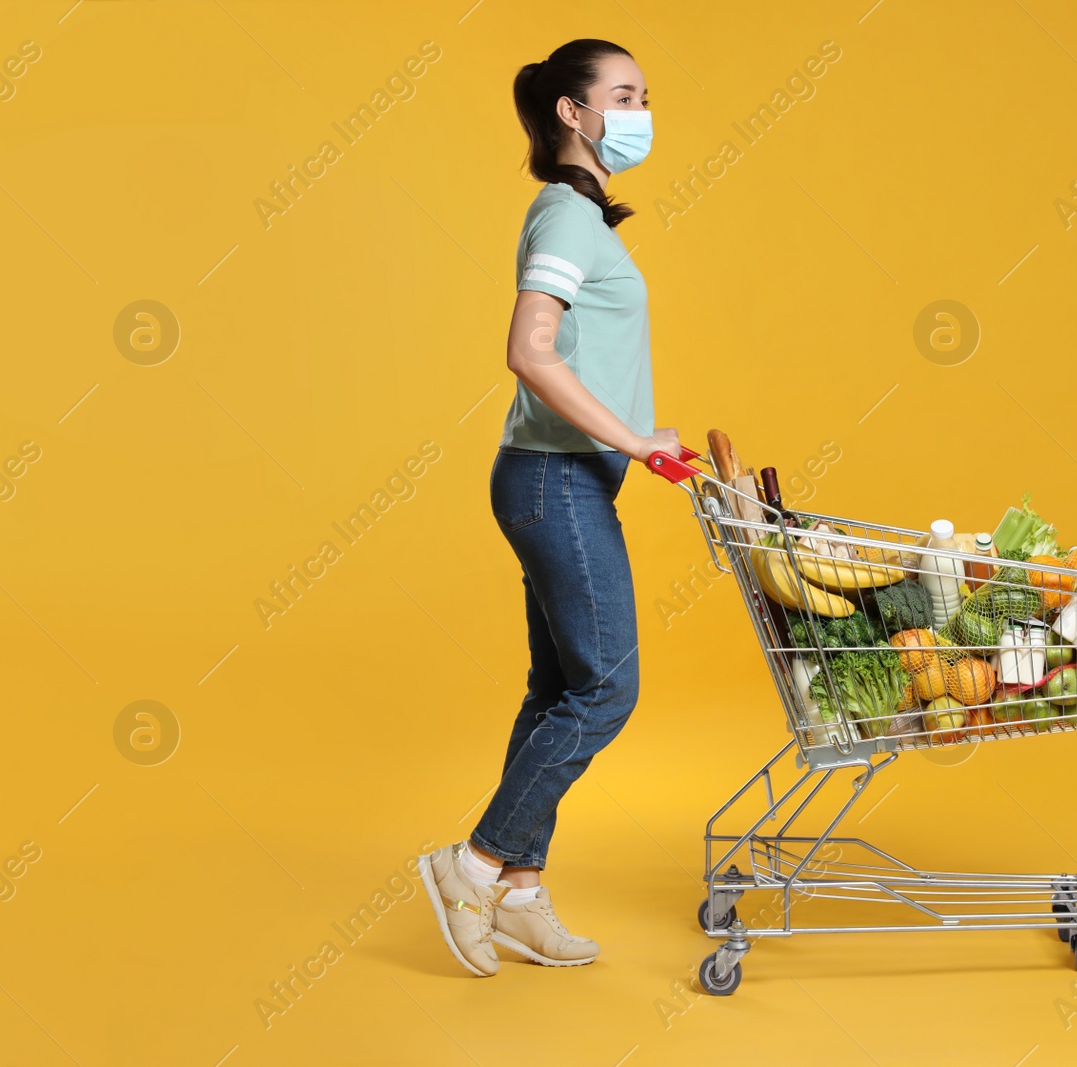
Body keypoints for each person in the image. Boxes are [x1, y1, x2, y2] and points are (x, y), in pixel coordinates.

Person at [417, 39, 678, 977]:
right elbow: (531, 351)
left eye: (646, 94)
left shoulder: (582, 217)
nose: (643, 109)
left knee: (558, 690)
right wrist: (637, 440)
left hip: (562, 475)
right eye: (624, 94)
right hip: (553, 479)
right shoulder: (568, 217)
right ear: (573, 113)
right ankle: (474, 862)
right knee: (607, 689)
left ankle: (521, 894)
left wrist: (638, 438)